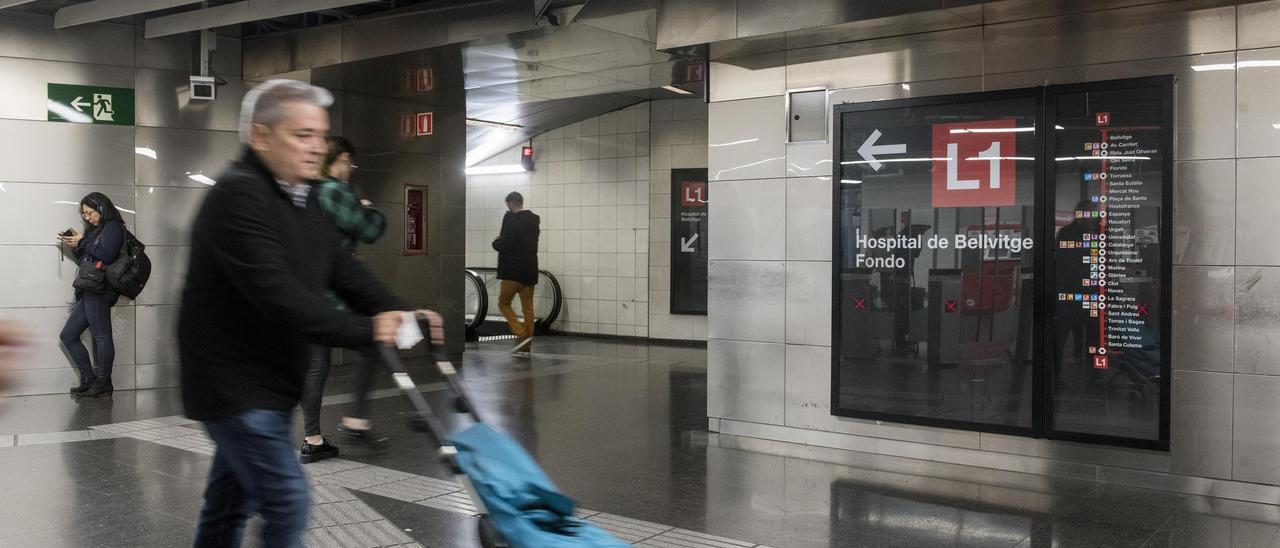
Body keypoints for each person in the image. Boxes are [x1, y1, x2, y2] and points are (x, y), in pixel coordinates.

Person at [179, 79, 422, 548]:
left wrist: (396, 310)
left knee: (227, 507)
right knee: (287, 500)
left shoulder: (302, 196)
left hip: (268, 382)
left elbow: (341, 269)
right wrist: (367, 328)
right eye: (302, 135)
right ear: (262, 136)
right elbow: (280, 296)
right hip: (231, 384)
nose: (317, 148)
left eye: (320, 136)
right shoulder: (238, 195)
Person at [299, 136, 392, 463]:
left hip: (307, 290)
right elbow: (369, 230)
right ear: (337, 159)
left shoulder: (305, 191)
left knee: (315, 366)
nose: (349, 169)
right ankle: (355, 419)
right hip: (335, 291)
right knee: (372, 344)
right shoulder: (335, 191)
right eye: (348, 163)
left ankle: (312, 438)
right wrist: (368, 208)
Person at [59, 192, 126, 399]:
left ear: (101, 208)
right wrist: (78, 244)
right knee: (68, 335)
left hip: (101, 289)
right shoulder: (97, 230)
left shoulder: (113, 226)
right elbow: (91, 258)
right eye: (84, 214)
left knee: (101, 336)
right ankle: (89, 378)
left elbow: (107, 254)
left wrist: (83, 242)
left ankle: (104, 381)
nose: (87, 217)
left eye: (89, 213)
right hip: (89, 288)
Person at [492, 191, 541, 358]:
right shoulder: (534, 220)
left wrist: (496, 242)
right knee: (528, 309)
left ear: (511, 203)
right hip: (529, 270)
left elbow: (505, 245)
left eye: (508, 205)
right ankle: (526, 348)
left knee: (503, 303)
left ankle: (521, 335)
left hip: (512, 272)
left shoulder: (511, 221)